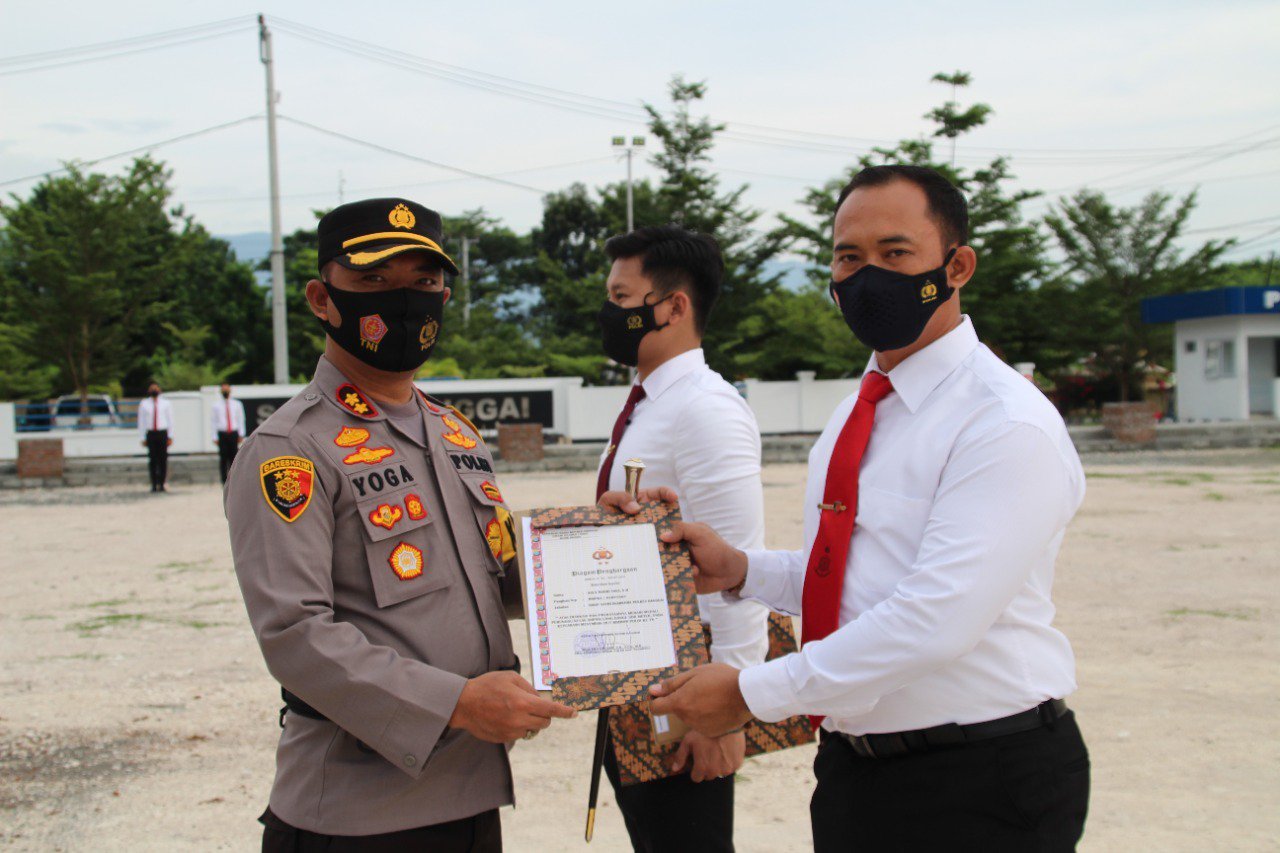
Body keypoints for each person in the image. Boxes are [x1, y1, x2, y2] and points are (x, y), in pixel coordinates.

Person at [634, 165, 1091, 851]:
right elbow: (853, 578)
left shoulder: (1002, 423)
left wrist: (750, 692)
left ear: (957, 266)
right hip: (858, 769)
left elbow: (934, 619)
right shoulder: (863, 406)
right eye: (848, 257)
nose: (866, 275)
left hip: (979, 776)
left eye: (895, 252)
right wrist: (742, 570)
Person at [225, 198, 575, 852]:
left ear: (445, 296)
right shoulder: (289, 450)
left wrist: (606, 544)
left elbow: (497, 576)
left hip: (471, 795)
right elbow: (294, 634)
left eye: (424, 280)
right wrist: (458, 703)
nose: (405, 299)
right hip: (357, 816)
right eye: (374, 280)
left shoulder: (454, 433)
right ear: (322, 299)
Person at [593, 226, 770, 852]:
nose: (609, 312)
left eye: (621, 297)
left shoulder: (705, 409)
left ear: (673, 307)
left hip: (690, 680)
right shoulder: (650, 403)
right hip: (641, 668)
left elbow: (739, 564)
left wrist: (729, 706)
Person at [136, 381, 173, 492]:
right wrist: (142, 437)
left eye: (156, 388)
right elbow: (141, 421)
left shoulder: (166, 403)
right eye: (152, 388)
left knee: (163, 459)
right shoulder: (144, 404)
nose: (154, 390)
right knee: (152, 459)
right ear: (149, 391)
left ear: (159, 390)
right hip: (151, 433)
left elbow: (170, 420)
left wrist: (170, 436)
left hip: (162, 432)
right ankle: (153, 484)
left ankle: (162, 483)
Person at [210, 382, 246, 484]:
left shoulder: (237, 404)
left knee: (234, 457)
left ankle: (234, 479)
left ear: (230, 390)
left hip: (233, 433)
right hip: (222, 433)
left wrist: (241, 434)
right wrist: (214, 436)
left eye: (227, 389)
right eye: (223, 389)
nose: (225, 391)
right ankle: (224, 480)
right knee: (223, 458)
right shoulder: (216, 406)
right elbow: (213, 421)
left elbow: (240, 419)